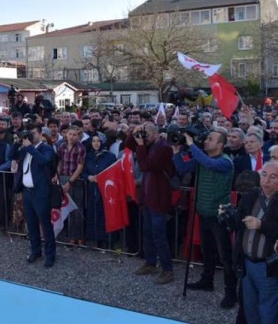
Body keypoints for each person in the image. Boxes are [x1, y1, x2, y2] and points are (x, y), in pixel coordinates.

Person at [172, 128, 237, 308]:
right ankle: (206, 280)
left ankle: (231, 292)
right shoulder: (201, 159)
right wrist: (177, 151)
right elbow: (183, 167)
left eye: (210, 139)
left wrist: (192, 145)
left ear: (220, 145)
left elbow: (209, 164)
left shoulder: (225, 162)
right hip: (204, 212)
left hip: (219, 215)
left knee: (225, 256)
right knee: (207, 250)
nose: (206, 141)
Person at [224, 161, 278, 324]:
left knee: (268, 311)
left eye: (273, 177)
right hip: (247, 264)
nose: (266, 181)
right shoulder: (252, 194)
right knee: (250, 309)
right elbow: (239, 222)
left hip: (267, 266)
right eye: (264, 175)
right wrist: (228, 216)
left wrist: (261, 225)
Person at [127, 122, 175, 285]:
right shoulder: (148, 145)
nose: (144, 137)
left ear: (155, 133)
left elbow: (146, 165)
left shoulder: (163, 148)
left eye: (146, 133)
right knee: (147, 232)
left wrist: (140, 145)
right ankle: (150, 263)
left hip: (158, 199)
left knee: (159, 235)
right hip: (147, 198)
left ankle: (167, 269)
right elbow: (129, 145)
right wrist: (134, 131)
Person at [13, 124, 56, 267]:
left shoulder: (47, 148)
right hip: (27, 192)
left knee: (45, 224)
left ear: (40, 133)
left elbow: (44, 161)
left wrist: (30, 147)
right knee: (31, 224)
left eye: (33, 134)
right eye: (28, 134)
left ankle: (50, 255)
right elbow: (11, 156)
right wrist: (16, 143)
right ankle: (36, 251)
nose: (31, 136)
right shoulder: (25, 148)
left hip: (41, 192)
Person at [81, 135, 117, 248]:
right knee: (94, 213)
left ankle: (109, 239)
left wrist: (104, 177)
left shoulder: (110, 156)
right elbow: (84, 172)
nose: (96, 143)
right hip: (93, 189)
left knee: (106, 214)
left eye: (98, 141)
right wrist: (89, 177)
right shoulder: (88, 156)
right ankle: (96, 239)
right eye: (94, 141)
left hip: (106, 189)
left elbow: (114, 171)